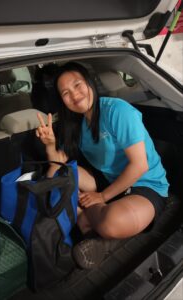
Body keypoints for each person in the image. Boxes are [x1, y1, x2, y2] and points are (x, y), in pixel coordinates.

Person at [35, 62, 169, 269]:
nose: (75, 95)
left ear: (89, 82)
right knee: (55, 174)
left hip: (146, 185)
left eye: (78, 85)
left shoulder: (117, 110)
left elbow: (139, 165)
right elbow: (56, 164)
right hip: (107, 180)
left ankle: (91, 226)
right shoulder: (74, 125)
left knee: (111, 222)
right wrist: (50, 145)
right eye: (66, 93)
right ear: (62, 100)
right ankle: (95, 228)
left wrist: (101, 198)